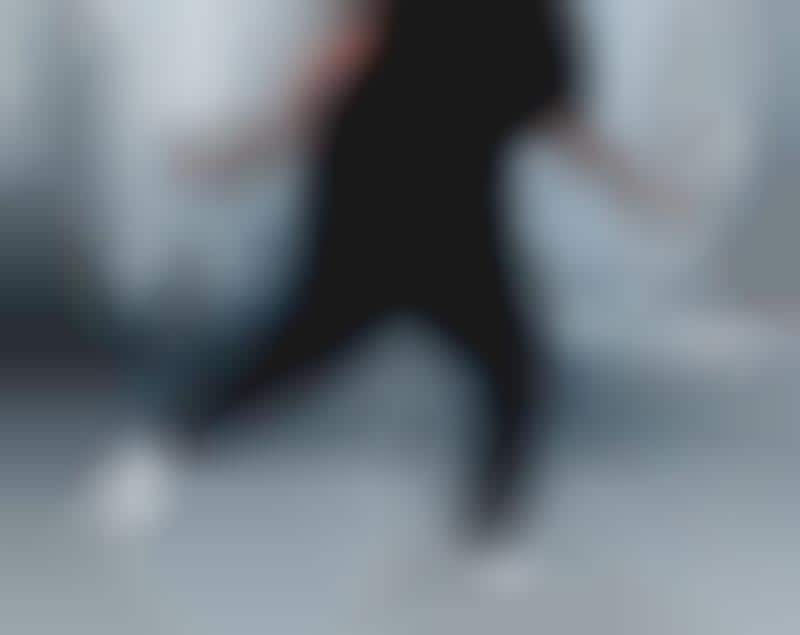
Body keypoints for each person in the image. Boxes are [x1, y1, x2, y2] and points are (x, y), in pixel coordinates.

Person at [84, 0, 683, 558]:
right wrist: (248, 149)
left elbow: (551, 113)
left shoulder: (537, 18)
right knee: (323, 353)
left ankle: (485, 541)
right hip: (376, 201)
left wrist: (635, 187)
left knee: (510, 372)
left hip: (453, 212)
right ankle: (160, 457)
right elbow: (343, 58)